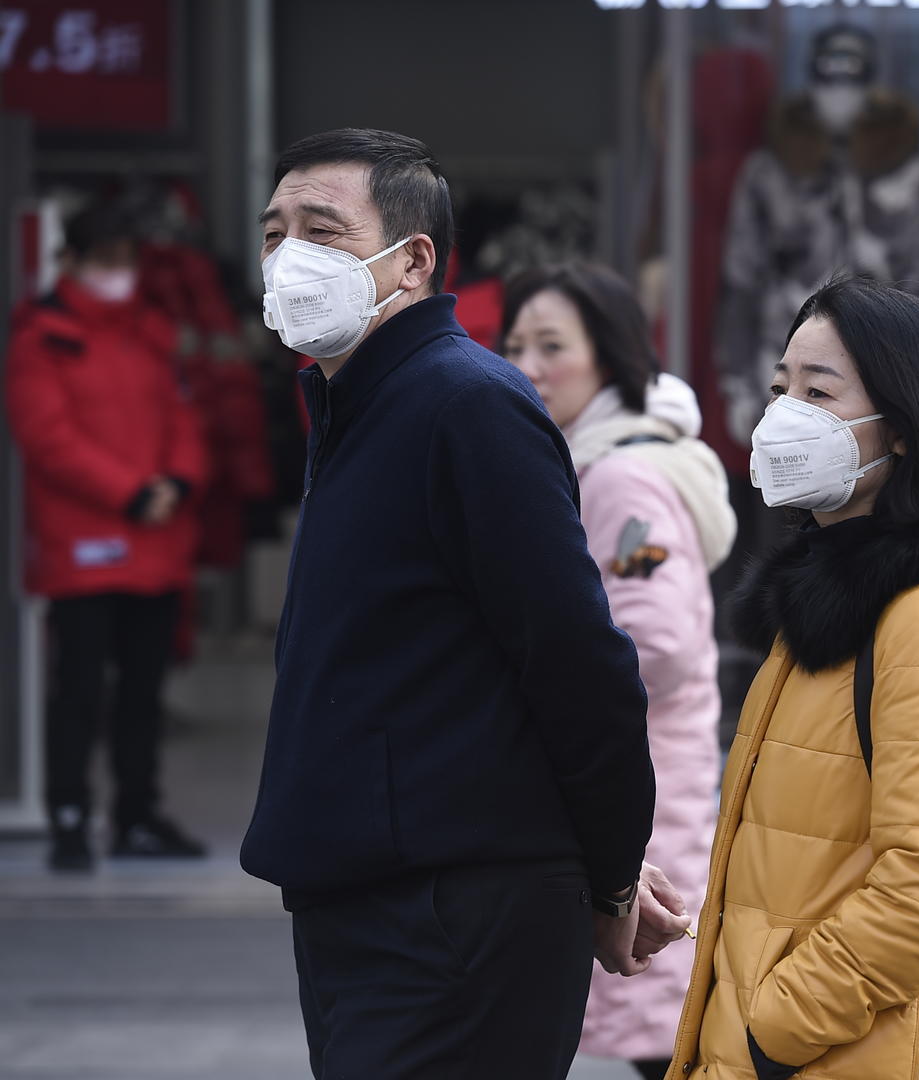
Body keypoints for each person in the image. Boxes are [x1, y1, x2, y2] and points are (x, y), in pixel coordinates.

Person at [238, 129, 669, 1079]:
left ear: (414, 259)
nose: (287, 257)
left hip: (451, 912)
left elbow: (577, 665)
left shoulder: (463, 404)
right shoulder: (358, 402)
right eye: (274, 233)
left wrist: (611, 870)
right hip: (367, 895)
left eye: (321, 229)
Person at [667, 276, 919, 1080]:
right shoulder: (822, 615)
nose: (783, 412)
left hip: (841, 1054)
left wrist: (771, 1029)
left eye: (817, 391)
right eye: (780, 387)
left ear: (900, 428)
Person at [501, 263, 736, 1080]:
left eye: (552, 346)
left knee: (665, 1037)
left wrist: (540, 688)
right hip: (636, 787)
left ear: (610, 358)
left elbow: (657, 643)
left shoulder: (621, 475)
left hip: (641, 794)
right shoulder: (589, 460)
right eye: (516, 343)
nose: (527, 363)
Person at [4, 203, 210, 871]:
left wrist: (177, 483)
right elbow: (47, 438)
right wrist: (129, 491)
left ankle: (136, 815)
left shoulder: (152, 332)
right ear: (70, 263)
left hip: (154, 543)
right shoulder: (42, 336)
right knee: (80, 691)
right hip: (84, 545)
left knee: (143, 693)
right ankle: (69, 816)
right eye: (105, 261)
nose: (118, 274)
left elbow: (184, 417)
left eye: (126, 260)